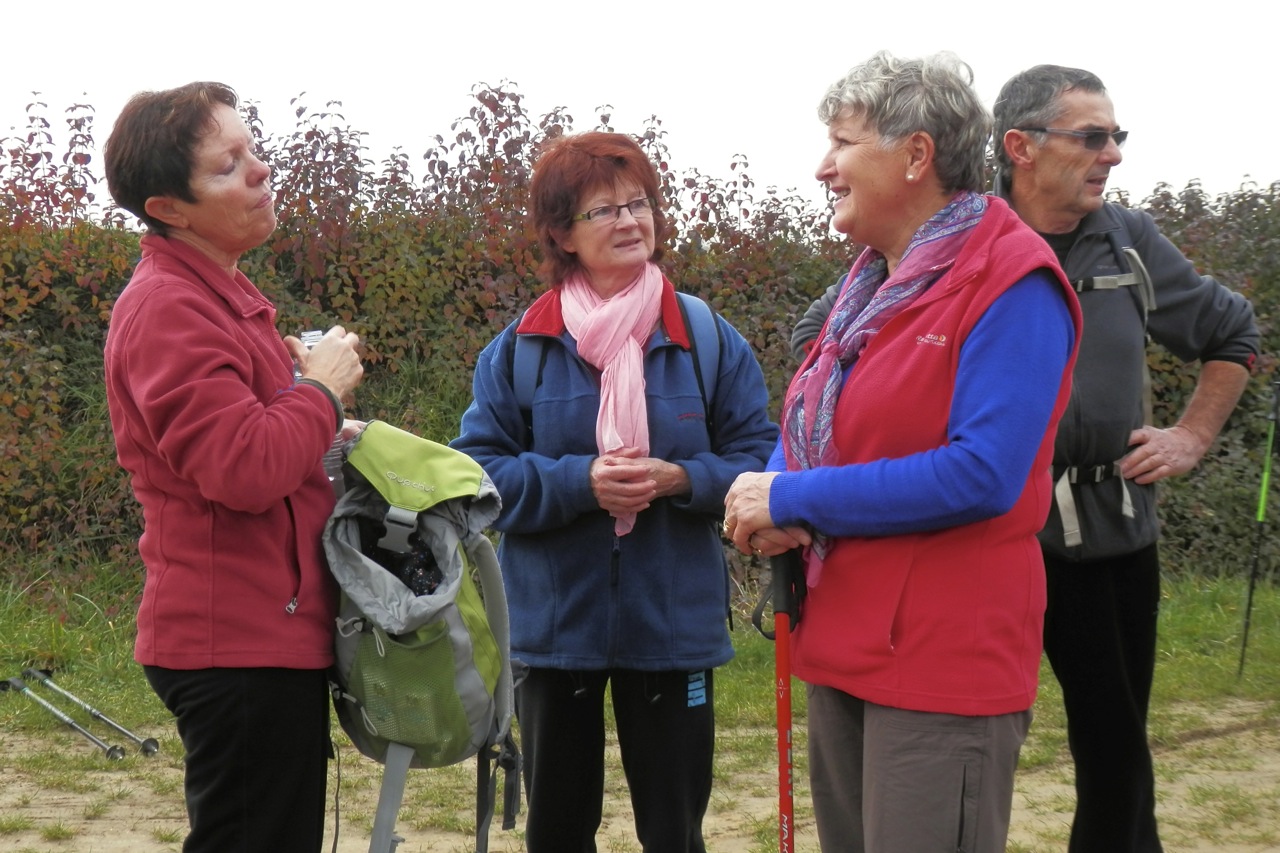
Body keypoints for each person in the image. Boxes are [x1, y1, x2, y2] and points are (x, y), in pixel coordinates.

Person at [793, 63, 1261, 853]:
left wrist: (1192, 436)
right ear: (1019, 146)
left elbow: (1233, 334)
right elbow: (823, 355)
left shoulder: (1100, 247)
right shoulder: (912, 257)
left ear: (915, 154)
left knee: (1114, 748)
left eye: (1117, 136)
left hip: (1095, 530)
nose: (1111, 153)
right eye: (1092, 135)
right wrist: (804, 457)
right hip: (935, 567)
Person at [723, 51, 1081, 853]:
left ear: (916, 155)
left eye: (842, 142)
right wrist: (776, 486)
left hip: (943, 659)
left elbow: (983, 472)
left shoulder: (1013, 280)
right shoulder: (868, 285)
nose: (824, 167)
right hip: (846, 637)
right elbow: (820, 414)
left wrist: (794, 502)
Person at [450, 131, 777, 853]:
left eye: (639, 204)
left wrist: (683, 478)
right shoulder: (521, 349)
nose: (631, 222)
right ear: (563, 234)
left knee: (675, 827)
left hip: (674, 625)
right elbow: (476, 475)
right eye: (604, 210)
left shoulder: (708, 338)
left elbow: (761, 458)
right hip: (555, 627)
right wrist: (580, 482)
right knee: (559, 827)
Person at [102, 82, 365, 853]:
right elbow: (243, 467)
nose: (259, 171)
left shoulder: (218, 295)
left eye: (253, 150)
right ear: (170, 208)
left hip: (262, 635)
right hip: (235, 639)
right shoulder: (169, 307)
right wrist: (319, 387)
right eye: (228, 166)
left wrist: (322, 419)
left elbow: (252, 436)